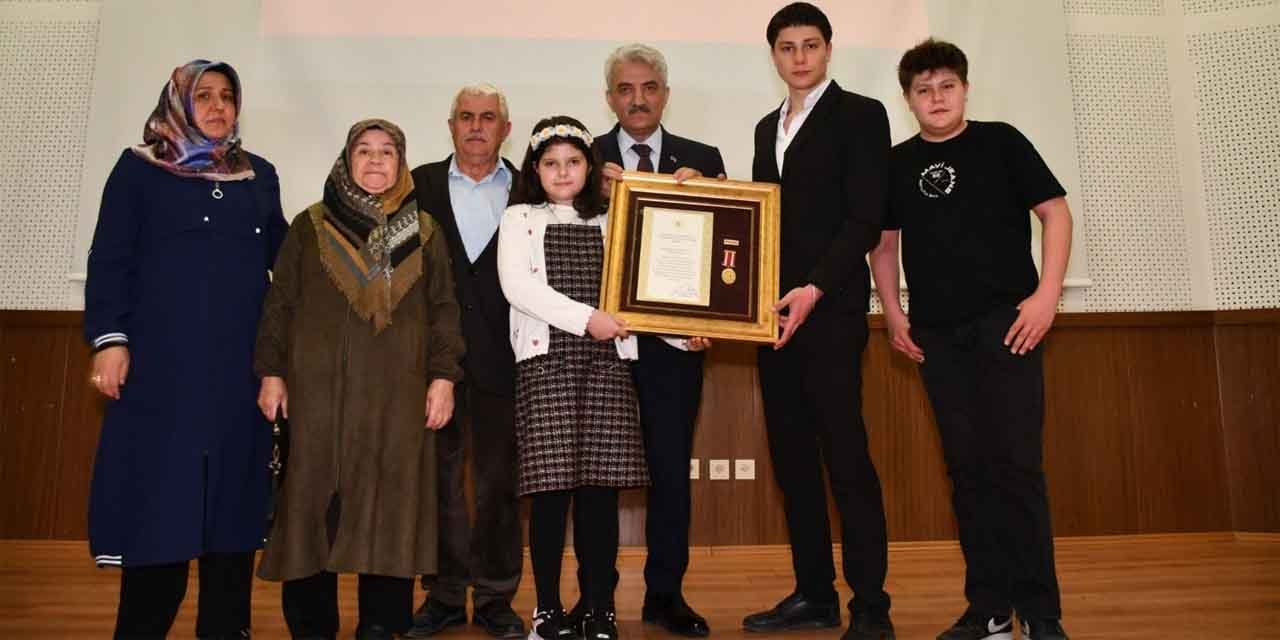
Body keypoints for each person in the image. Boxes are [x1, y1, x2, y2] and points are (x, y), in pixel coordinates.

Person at [869, 38, 1072, 640]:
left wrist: (1046, 296)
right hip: (936, 336)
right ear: (908, 99)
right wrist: (893, 313)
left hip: (1008, 326)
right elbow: (884, 245)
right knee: (967, 472)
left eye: (947, 86)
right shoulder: (896, 162)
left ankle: (1042, 613)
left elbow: (1056, 214)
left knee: (1017, 468)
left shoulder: (1001, 141)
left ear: (965, 89)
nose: (936, 98)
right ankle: (990, 610)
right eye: (923, 90)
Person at [83, 59, 286, 639]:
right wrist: (109, 340)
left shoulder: (258, 175)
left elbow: (287, 265)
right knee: (160, 513)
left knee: (232, 516)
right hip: (160, 376)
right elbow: (110, 259)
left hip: (237, 379)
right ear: (177, 102)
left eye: (228, 96)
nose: (219, 106)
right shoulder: (138, 170)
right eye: (204, 95)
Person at [253, 119, 465, 640]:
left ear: (401, 163)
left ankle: (380, 624)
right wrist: (272, 372)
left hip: (398, 399)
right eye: (363, 151)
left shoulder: (425, 231)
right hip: (317, 398)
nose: (375, 160)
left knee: (391, 507)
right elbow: (279, 304)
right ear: (347, 161)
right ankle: (313, 626)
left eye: (386, 152)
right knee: (310, 507)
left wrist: (443, 378)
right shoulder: (310, 226)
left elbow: (444, 310)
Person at [743, 4, 895, 640]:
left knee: (845, 458)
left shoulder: (862, 114)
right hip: (775, 319)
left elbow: (865, 218)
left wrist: (814, 288)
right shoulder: (765, 127)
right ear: (774, 56)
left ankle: (870, 605)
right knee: (792, 460)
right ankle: (814, 594)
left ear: (829, 49)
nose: (799, 57)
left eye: (810, 45)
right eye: (787, 47)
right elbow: (759, 221)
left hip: (830, 313)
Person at [583, 42, 725, 638]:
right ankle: (597, 600)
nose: (637, 99)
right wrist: (592, 195)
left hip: (675, 347)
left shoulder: (702, 159)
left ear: (665, 94)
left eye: (648, 88)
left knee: (669, 471)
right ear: (609, 97)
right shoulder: (582, 159)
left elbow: (726, 253)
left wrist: (713, 319)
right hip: (600, 346)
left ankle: (666, 595)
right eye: (625, 89)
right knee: (598, 475)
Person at [496, 116, 647, 640]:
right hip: (547, 366)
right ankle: (547, 612)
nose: (563, 172)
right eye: (551, 163)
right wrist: (588, 319)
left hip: (606, 365)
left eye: (574, 162)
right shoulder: (519, 218)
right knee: (550, 494)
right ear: (535, 170)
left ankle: (600, 610)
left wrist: (684, 333)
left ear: (590, 167)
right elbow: (518, 287)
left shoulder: (612, 217)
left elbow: (639, 293)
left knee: (600, 495)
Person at [407, 85, 525, 639]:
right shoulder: (418, 186)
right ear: (450, 125)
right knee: (440, 483)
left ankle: (497, 597)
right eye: (466, 117)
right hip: (436, 365)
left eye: (488, 117)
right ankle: (446, 595)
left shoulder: (530, 187)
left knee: (501, 485)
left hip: (510, 361)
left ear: (506, 128)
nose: (477, 126)